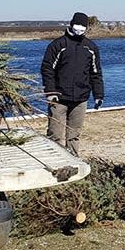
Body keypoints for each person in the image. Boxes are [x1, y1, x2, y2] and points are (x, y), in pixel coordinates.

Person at [41, 12, 104, 156]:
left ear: (86, 28)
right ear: (71, 25)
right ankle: (55, 161)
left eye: (83, 28)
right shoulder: (58, 45)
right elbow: (47, 69)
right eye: (77, 26)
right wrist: (50, 92)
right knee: (55, 134)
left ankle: (73, 160)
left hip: (81, 99)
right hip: (59, 98)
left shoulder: (91, 48)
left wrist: (98, 95)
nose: (79, 30)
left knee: (74, 135)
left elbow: (96, 73)